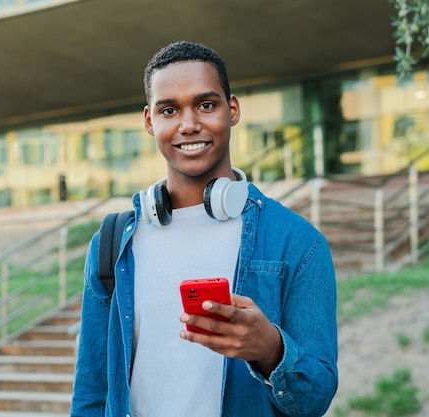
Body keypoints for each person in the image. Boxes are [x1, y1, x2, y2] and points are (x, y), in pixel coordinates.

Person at [70, 40, 338, 417]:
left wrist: (269, 349)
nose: (189, 124)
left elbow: (316, 398)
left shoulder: (298, 243)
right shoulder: (113, 247)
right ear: (150, 121)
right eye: (169, 110)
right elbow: (92, 391)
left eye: (206, 104)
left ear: (232, 110)